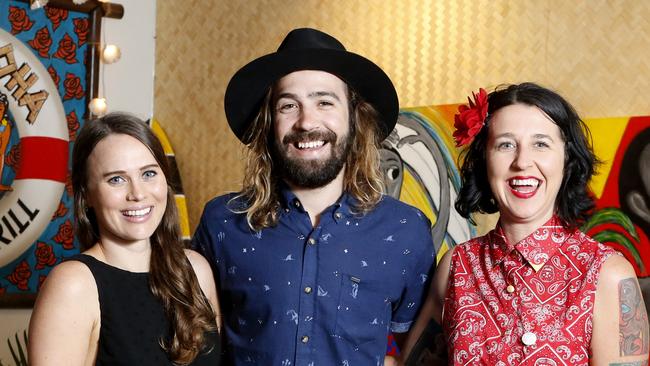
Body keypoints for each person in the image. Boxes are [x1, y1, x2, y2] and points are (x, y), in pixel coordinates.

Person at [192, 27, 435, 365]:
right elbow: (194, 343)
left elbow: (416, 349)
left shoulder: (406, 230)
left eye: (324, 102)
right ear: (268, 123)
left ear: (354, 118)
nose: (307, 122)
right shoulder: (222, 222)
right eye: (288, 105)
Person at [402, 83, 649, 365]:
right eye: (506, 144)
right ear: (485, 159)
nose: (522, 162)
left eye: (540, 144)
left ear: (566, 159)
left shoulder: (608, 274)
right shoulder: (457, 266)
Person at [28, 113, 221, 365]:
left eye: (149, 174)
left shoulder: (196, 270)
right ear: (87, 195)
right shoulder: (73, 284)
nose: (138, 193)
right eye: (116, 179)